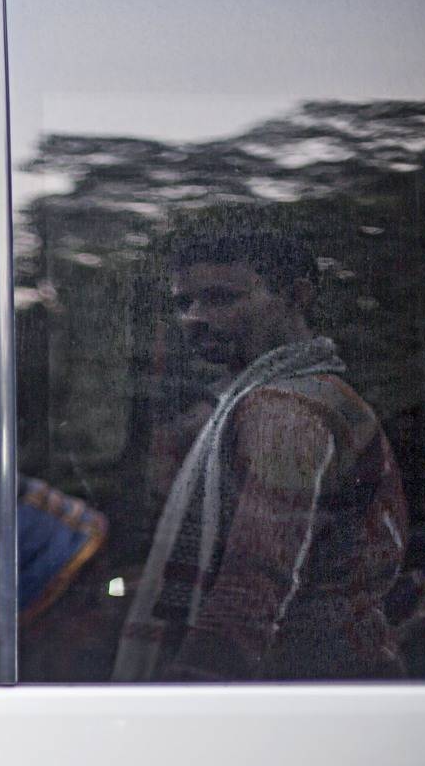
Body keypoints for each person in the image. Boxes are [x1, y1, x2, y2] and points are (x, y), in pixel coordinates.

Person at [113, 219, 408, 680]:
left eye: (221, 298)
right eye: (184, 302)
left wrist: (186, 696)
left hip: (304, 685)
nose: (193, 317)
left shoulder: (285, 410)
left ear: (297, 296)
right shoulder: (303, 394)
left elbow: (252, 589)